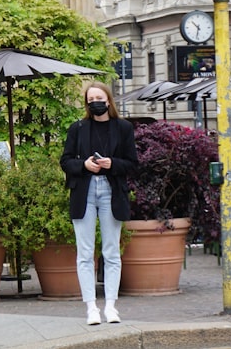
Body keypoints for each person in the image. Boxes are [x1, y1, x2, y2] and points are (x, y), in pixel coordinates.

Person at [60, 81, 138, 326]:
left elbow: (132, 164)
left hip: (111, 190)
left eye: (99, 97)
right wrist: (83, 165)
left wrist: (111, 164)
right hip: (84, 190)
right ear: (86, 102)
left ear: (108, 100)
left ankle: (111, 306)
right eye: (90, 98)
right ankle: (91, 308)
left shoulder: (123, 128)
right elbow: (66, 161)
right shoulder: (78, 128)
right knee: (84, 253)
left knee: (111, 252)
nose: (95, 102)